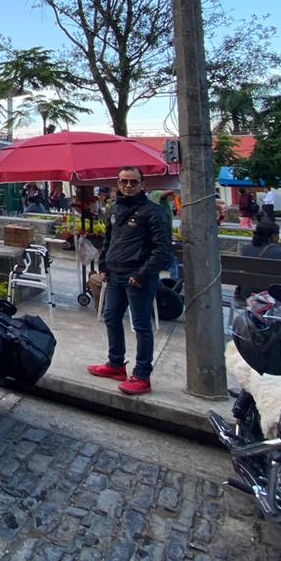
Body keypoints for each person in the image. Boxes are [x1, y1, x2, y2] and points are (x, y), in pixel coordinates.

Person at [87, 166, 172, 396]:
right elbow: (110, 239)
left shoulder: (153, 212)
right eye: (124, 181)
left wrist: (141, 274)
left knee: (141, 326)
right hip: (115, 274)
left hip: (138, 278)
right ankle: (116, 364)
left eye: (133, 182)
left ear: (142, 184)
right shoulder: (114, 208)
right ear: (118, 183)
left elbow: (162, 250)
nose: (128, 186)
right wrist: (104, 265)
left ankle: (142, 375)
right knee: (111, 317)